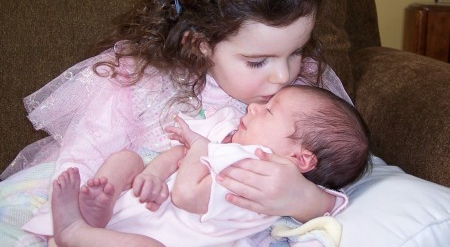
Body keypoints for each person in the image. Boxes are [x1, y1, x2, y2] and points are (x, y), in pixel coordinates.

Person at [1, 0, 357, 245]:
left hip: (192, 228)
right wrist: (75, 199)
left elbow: (338, 160)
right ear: (200, 44)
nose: (283, 75)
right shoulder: (143, 81)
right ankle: (83, 221)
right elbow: (89, 146)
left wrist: (304, 198)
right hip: (131, 194)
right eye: (258, 61)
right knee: (118, 162)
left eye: (296, 51)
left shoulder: (302, 97)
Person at [50, 85, 370, 247]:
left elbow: (187, 195)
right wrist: (153, 174)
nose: (254, 107)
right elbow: (176, 155)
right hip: (140, 201)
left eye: (269, 111)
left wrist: (199, 146)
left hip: (154, 232)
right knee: (128, 159)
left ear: (300, 158)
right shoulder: (229, 137)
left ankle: (75, 231)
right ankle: (97, 209)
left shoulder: (258, 178)